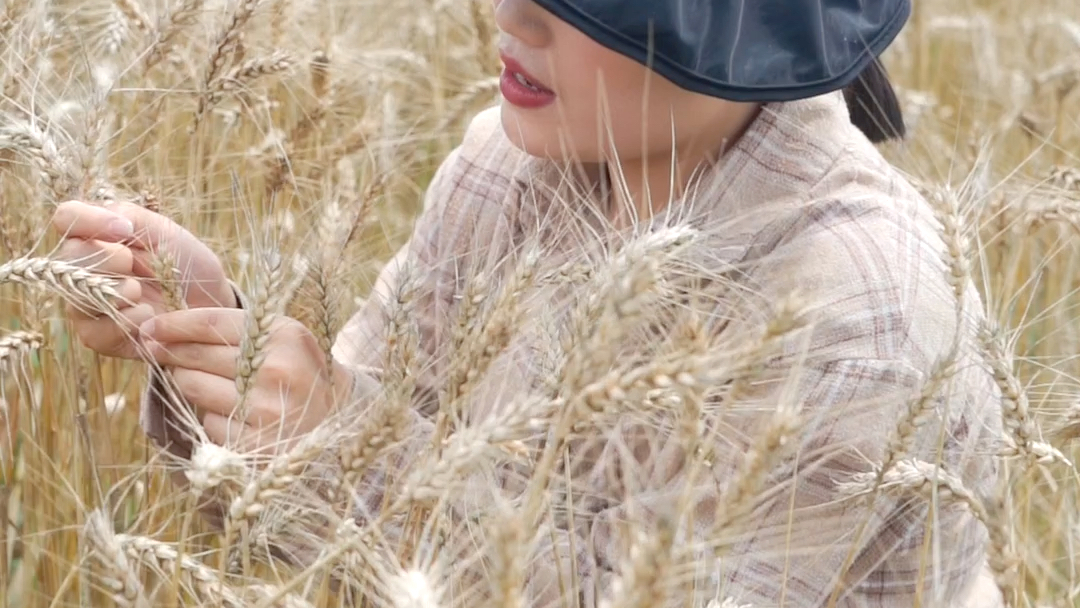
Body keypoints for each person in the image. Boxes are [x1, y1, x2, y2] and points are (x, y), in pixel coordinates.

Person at [50, 0, 1005, 606]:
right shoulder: (506, 168)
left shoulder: (857, 312)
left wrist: (341, 446)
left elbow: (368, 473)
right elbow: (316, 517)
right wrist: (206, 336)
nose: (512, 14)